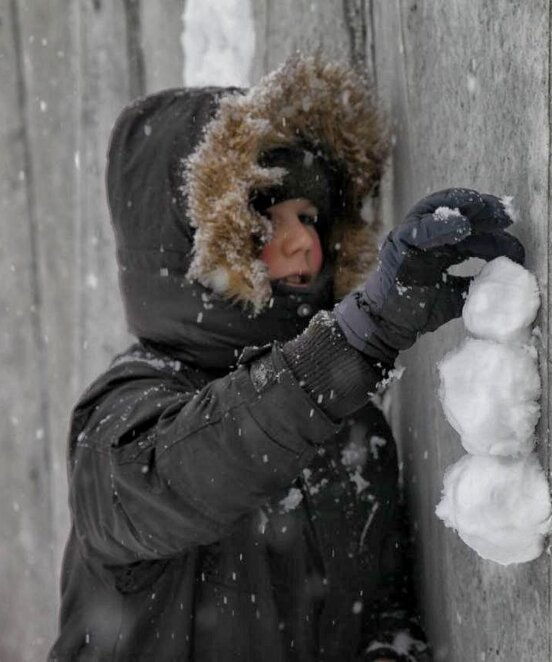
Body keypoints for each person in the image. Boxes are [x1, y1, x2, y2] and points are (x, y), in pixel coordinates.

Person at [48, 54, 524, 661]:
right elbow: (203, 464)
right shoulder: (118, 423)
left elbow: (380, 611)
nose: (303, 240)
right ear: (188, 250)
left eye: (308, 215)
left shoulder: (353, 427)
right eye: (264, 218)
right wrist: (354, 343)